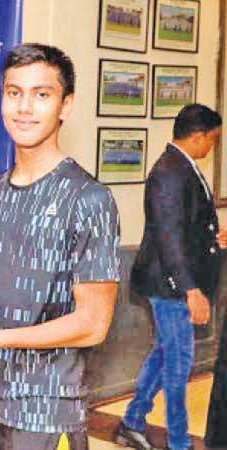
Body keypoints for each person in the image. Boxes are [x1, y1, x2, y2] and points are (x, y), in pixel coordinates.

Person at [0, 43, 120, 450]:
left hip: (44, 410)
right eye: (14, 92)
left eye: (41, 94)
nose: (24, 107)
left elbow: (93, 324)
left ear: (65, 106)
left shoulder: (88, 198)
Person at [118, 103, 224, 450]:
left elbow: (185, 225)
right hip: (171, 285)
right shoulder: (169, 171)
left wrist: (214, 236)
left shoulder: (183, 167)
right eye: (212, 139)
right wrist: (192, 289)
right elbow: (167, 235)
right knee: (179, 363)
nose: (213, 146)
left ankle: (132, 421)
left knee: (165, 353)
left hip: (175, 281)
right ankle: (179, 442)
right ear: (197, 136)